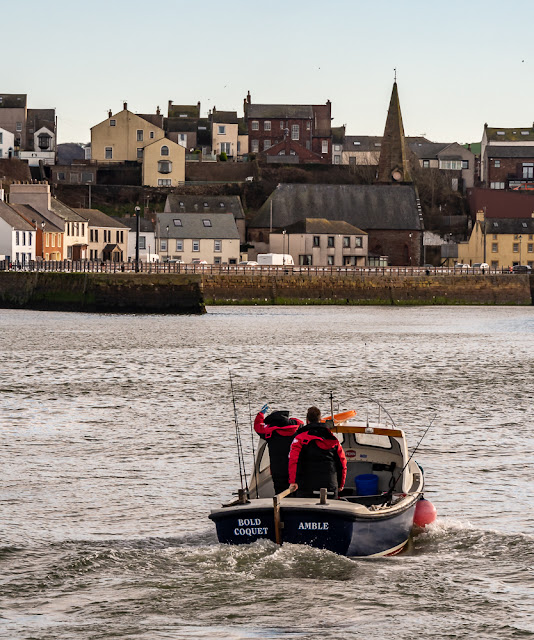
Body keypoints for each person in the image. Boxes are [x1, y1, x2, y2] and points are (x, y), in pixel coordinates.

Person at [288, 406, 347, 498]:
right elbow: (342, 464)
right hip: (330, 487)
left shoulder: (300, 438)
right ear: (320, 420)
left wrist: (293, 481)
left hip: (306, 488)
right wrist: (340, 484)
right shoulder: (333, 439)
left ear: (307, 420)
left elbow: (293, 460)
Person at [254, 405, 303, 494]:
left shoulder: (269, 432)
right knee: (296, 493)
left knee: (280, 493)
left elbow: (257, 426)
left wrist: (261, 414)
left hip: (277, 470)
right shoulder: (296, 429)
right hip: (294, 470)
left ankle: (280, 507)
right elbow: (302, 423)